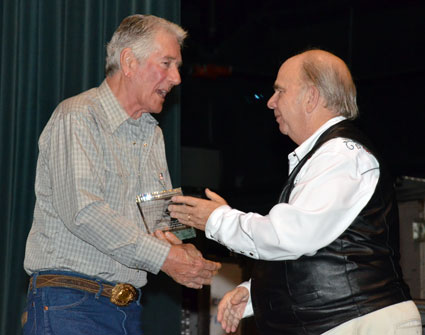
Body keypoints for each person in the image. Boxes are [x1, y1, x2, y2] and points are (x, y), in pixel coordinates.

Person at [168, 49, 422, 334]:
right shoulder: (328, 156)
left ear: (311, 97)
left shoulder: (341, 155)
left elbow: (291, 235)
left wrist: (217, 219)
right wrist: (257, 293)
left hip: (360, 323)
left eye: (280, 91)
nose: (270, 102)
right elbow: (317, 248)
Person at [22, 14, 221, 335]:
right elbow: (84, 213)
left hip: (127, 310)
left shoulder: (152, 133)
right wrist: (166, 258)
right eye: (167, 63)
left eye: (178, 66)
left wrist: (186, 253)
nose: (176, 78)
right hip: (69, 305)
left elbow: (159, 219)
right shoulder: (77, 117)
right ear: (129, 61)